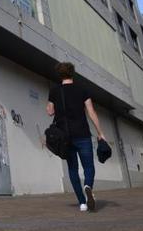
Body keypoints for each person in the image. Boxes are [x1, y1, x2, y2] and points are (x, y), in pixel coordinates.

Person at [47, 62, 107, 212]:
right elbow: (91, 111)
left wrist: (55, 106)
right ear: (72, 73)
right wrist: (100, 132)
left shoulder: (54, 91)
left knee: (72, 169)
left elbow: (49, 111)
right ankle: (88, 186)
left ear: (59, 75)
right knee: (88, 166)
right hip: (83, 134)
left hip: (65, 137)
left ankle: (82, 203)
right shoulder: (82, 89)